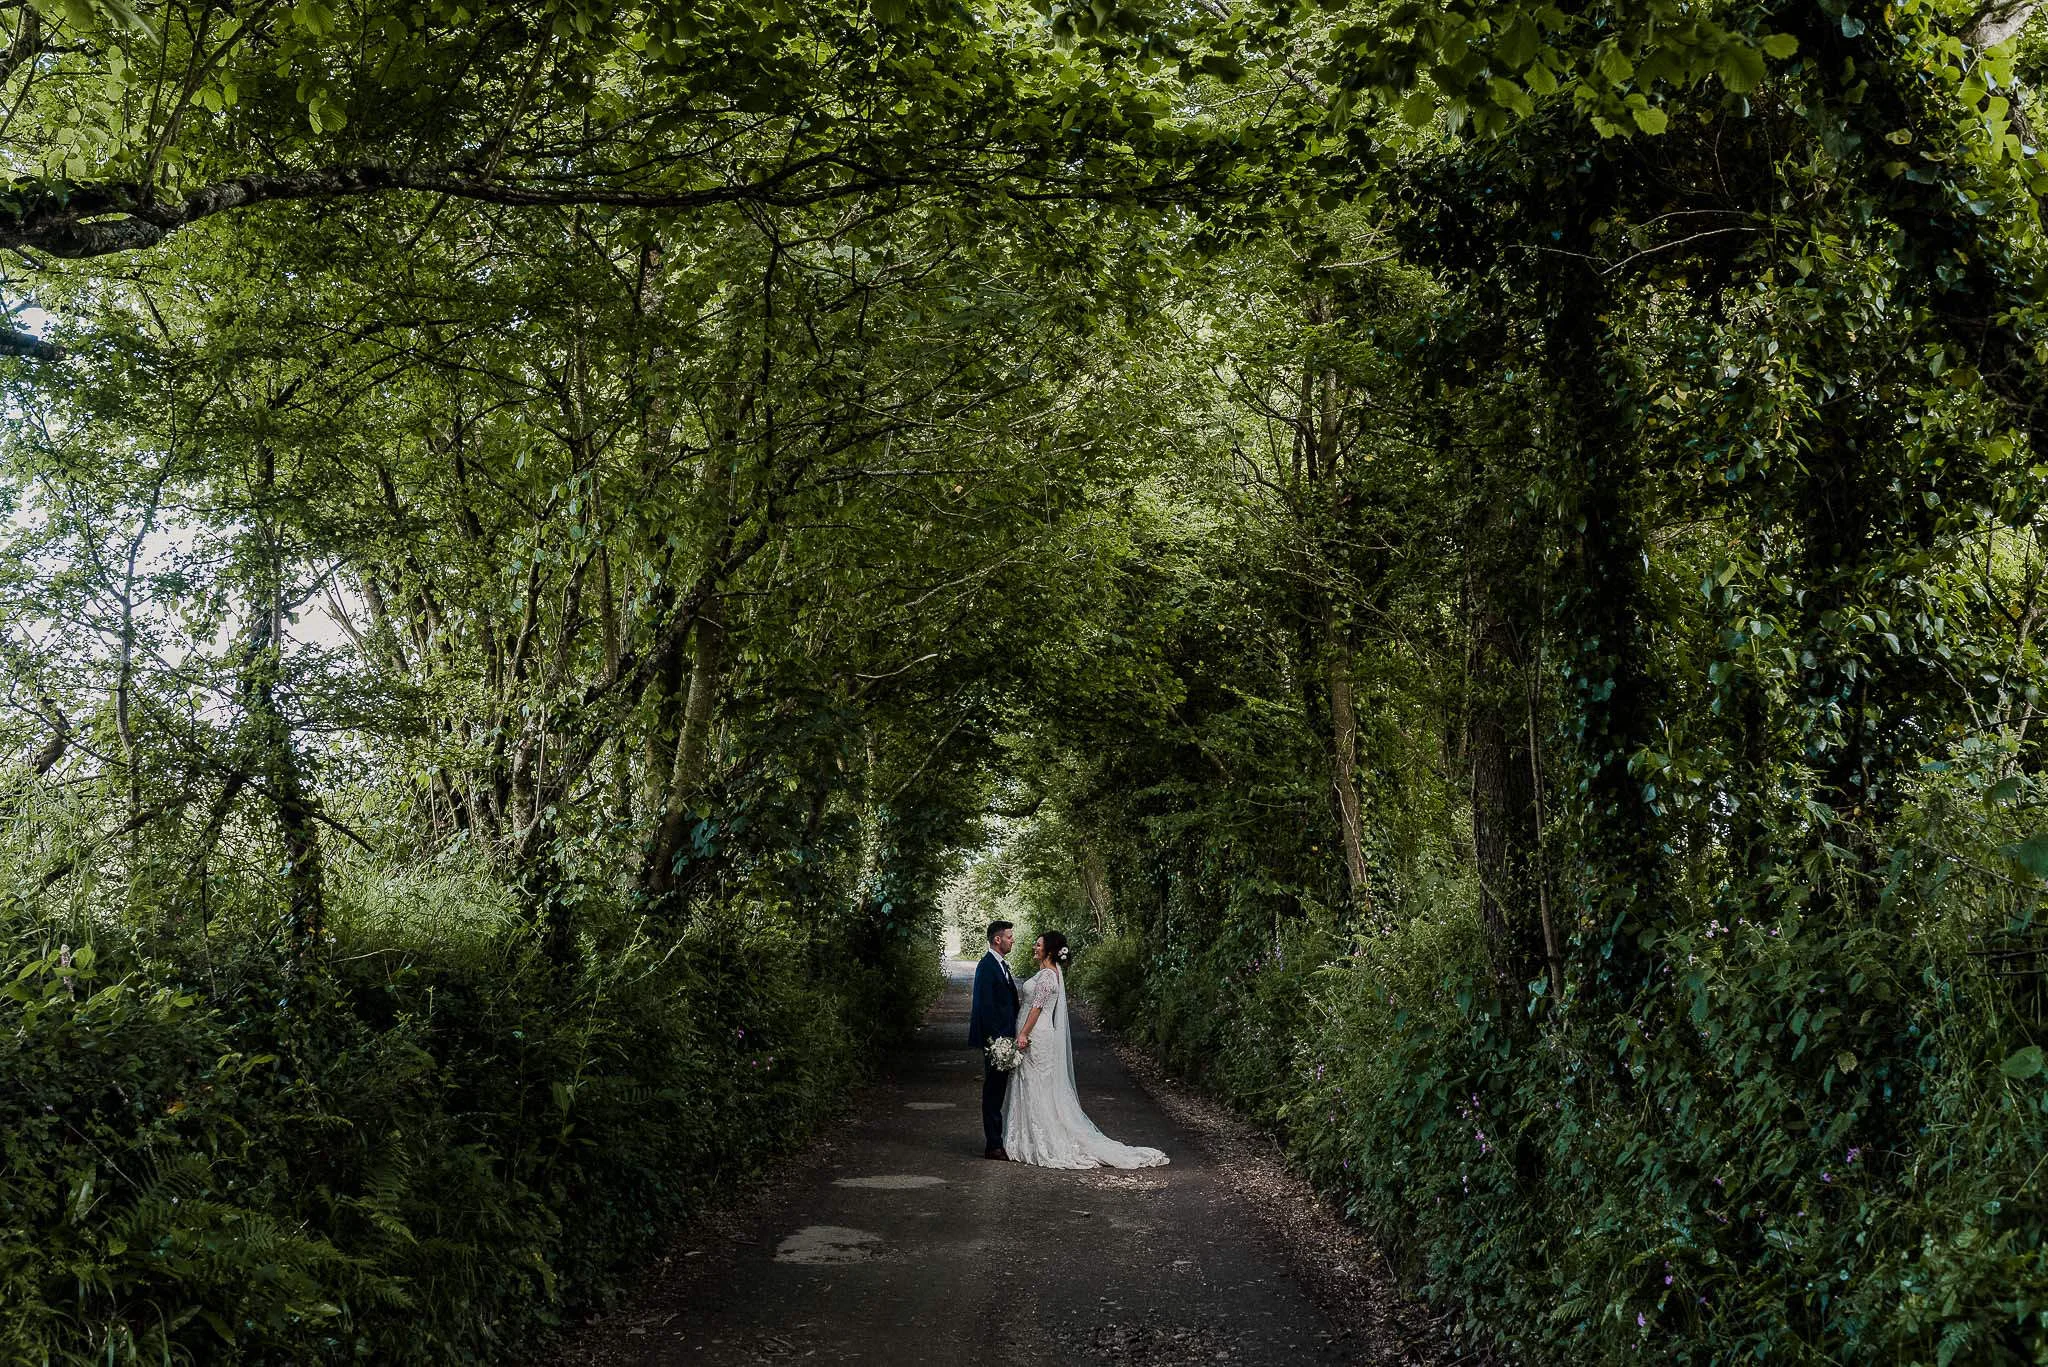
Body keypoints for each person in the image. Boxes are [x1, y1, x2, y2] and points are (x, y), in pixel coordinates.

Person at [1004, 931, 1168, 1169]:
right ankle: (1025, 1137)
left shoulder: (1049, 976)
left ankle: (1041, 1139)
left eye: (1038, 945)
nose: (1034, 947)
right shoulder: (1047, 973)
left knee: (1037, 1085)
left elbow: (1037, 1008)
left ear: (1049, 950)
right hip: (1035, 1033)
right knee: (1029, 1083)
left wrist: (1023, 1034)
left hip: (1036, 1036)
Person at [967, 920, 1020, 1160]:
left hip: (1005, 1038)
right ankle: (993, 1145)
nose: (1012, 940)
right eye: (1009, 936)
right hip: (996, 1041)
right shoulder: (986, 966)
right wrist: (996, 1041)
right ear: (997, 939)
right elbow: (984, 1007)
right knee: (993, 1092)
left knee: (998, 1090)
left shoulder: (1000, 965)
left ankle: (998, 1140)